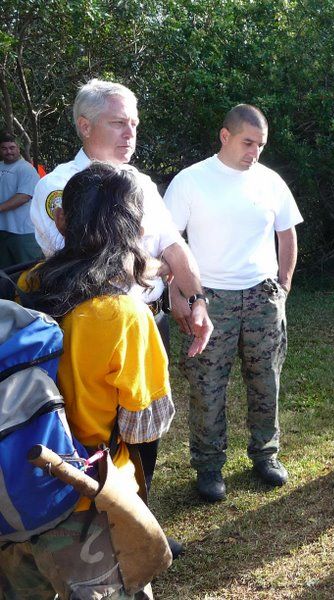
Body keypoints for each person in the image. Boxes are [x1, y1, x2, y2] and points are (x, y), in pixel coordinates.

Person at [28, 78, 210, 557]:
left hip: (143, 320)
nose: (131, 133)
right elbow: (87, 263)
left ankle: (137, 520)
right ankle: (97, 527)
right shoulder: (58, 187)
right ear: (85, 126)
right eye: (118, 123)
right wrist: (154, 273)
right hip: (96, 326)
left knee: (140, 438)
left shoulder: (138, 182)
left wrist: (195, 298)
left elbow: (172, 245)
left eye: (134, 123)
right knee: (94, 434)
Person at [2, 162, 173, 599]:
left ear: (61, 220)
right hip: (88, 504)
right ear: (137, 229)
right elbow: (144, 427)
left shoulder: (26, 285)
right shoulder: (125, 315)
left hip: (14, 494)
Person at [164, 104, 303, 502]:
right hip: (209, 300)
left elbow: (287, 234)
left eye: (260, 145)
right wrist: (177, 294)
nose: (254, 152)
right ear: (225, 136)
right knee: (207, 386)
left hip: (262, 297)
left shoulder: (270, 182)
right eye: (247, 142)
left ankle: (266, 454)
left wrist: (283, 285)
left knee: (266, 381)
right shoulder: (191, 181)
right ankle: (209, 466)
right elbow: (168, 242)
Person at [0, 131, 43, 268]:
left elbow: (23, 197)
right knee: (6, 273)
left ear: (18, 149)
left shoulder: (26, 169)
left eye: (12, 148)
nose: (8, 151)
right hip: (3, 231)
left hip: (23, 232)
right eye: (4, 148)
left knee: (28, 272)